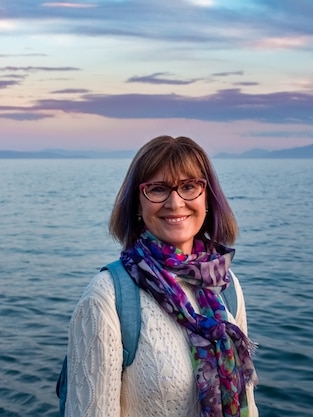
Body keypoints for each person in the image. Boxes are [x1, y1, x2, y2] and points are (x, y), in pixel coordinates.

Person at [65, 135, 258, 417]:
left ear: (207, 199)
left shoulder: (225, 285)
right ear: (137, 205)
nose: (175, 203)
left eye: (189, 186)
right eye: (157, 189)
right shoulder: (107, 297)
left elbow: (248, 404)